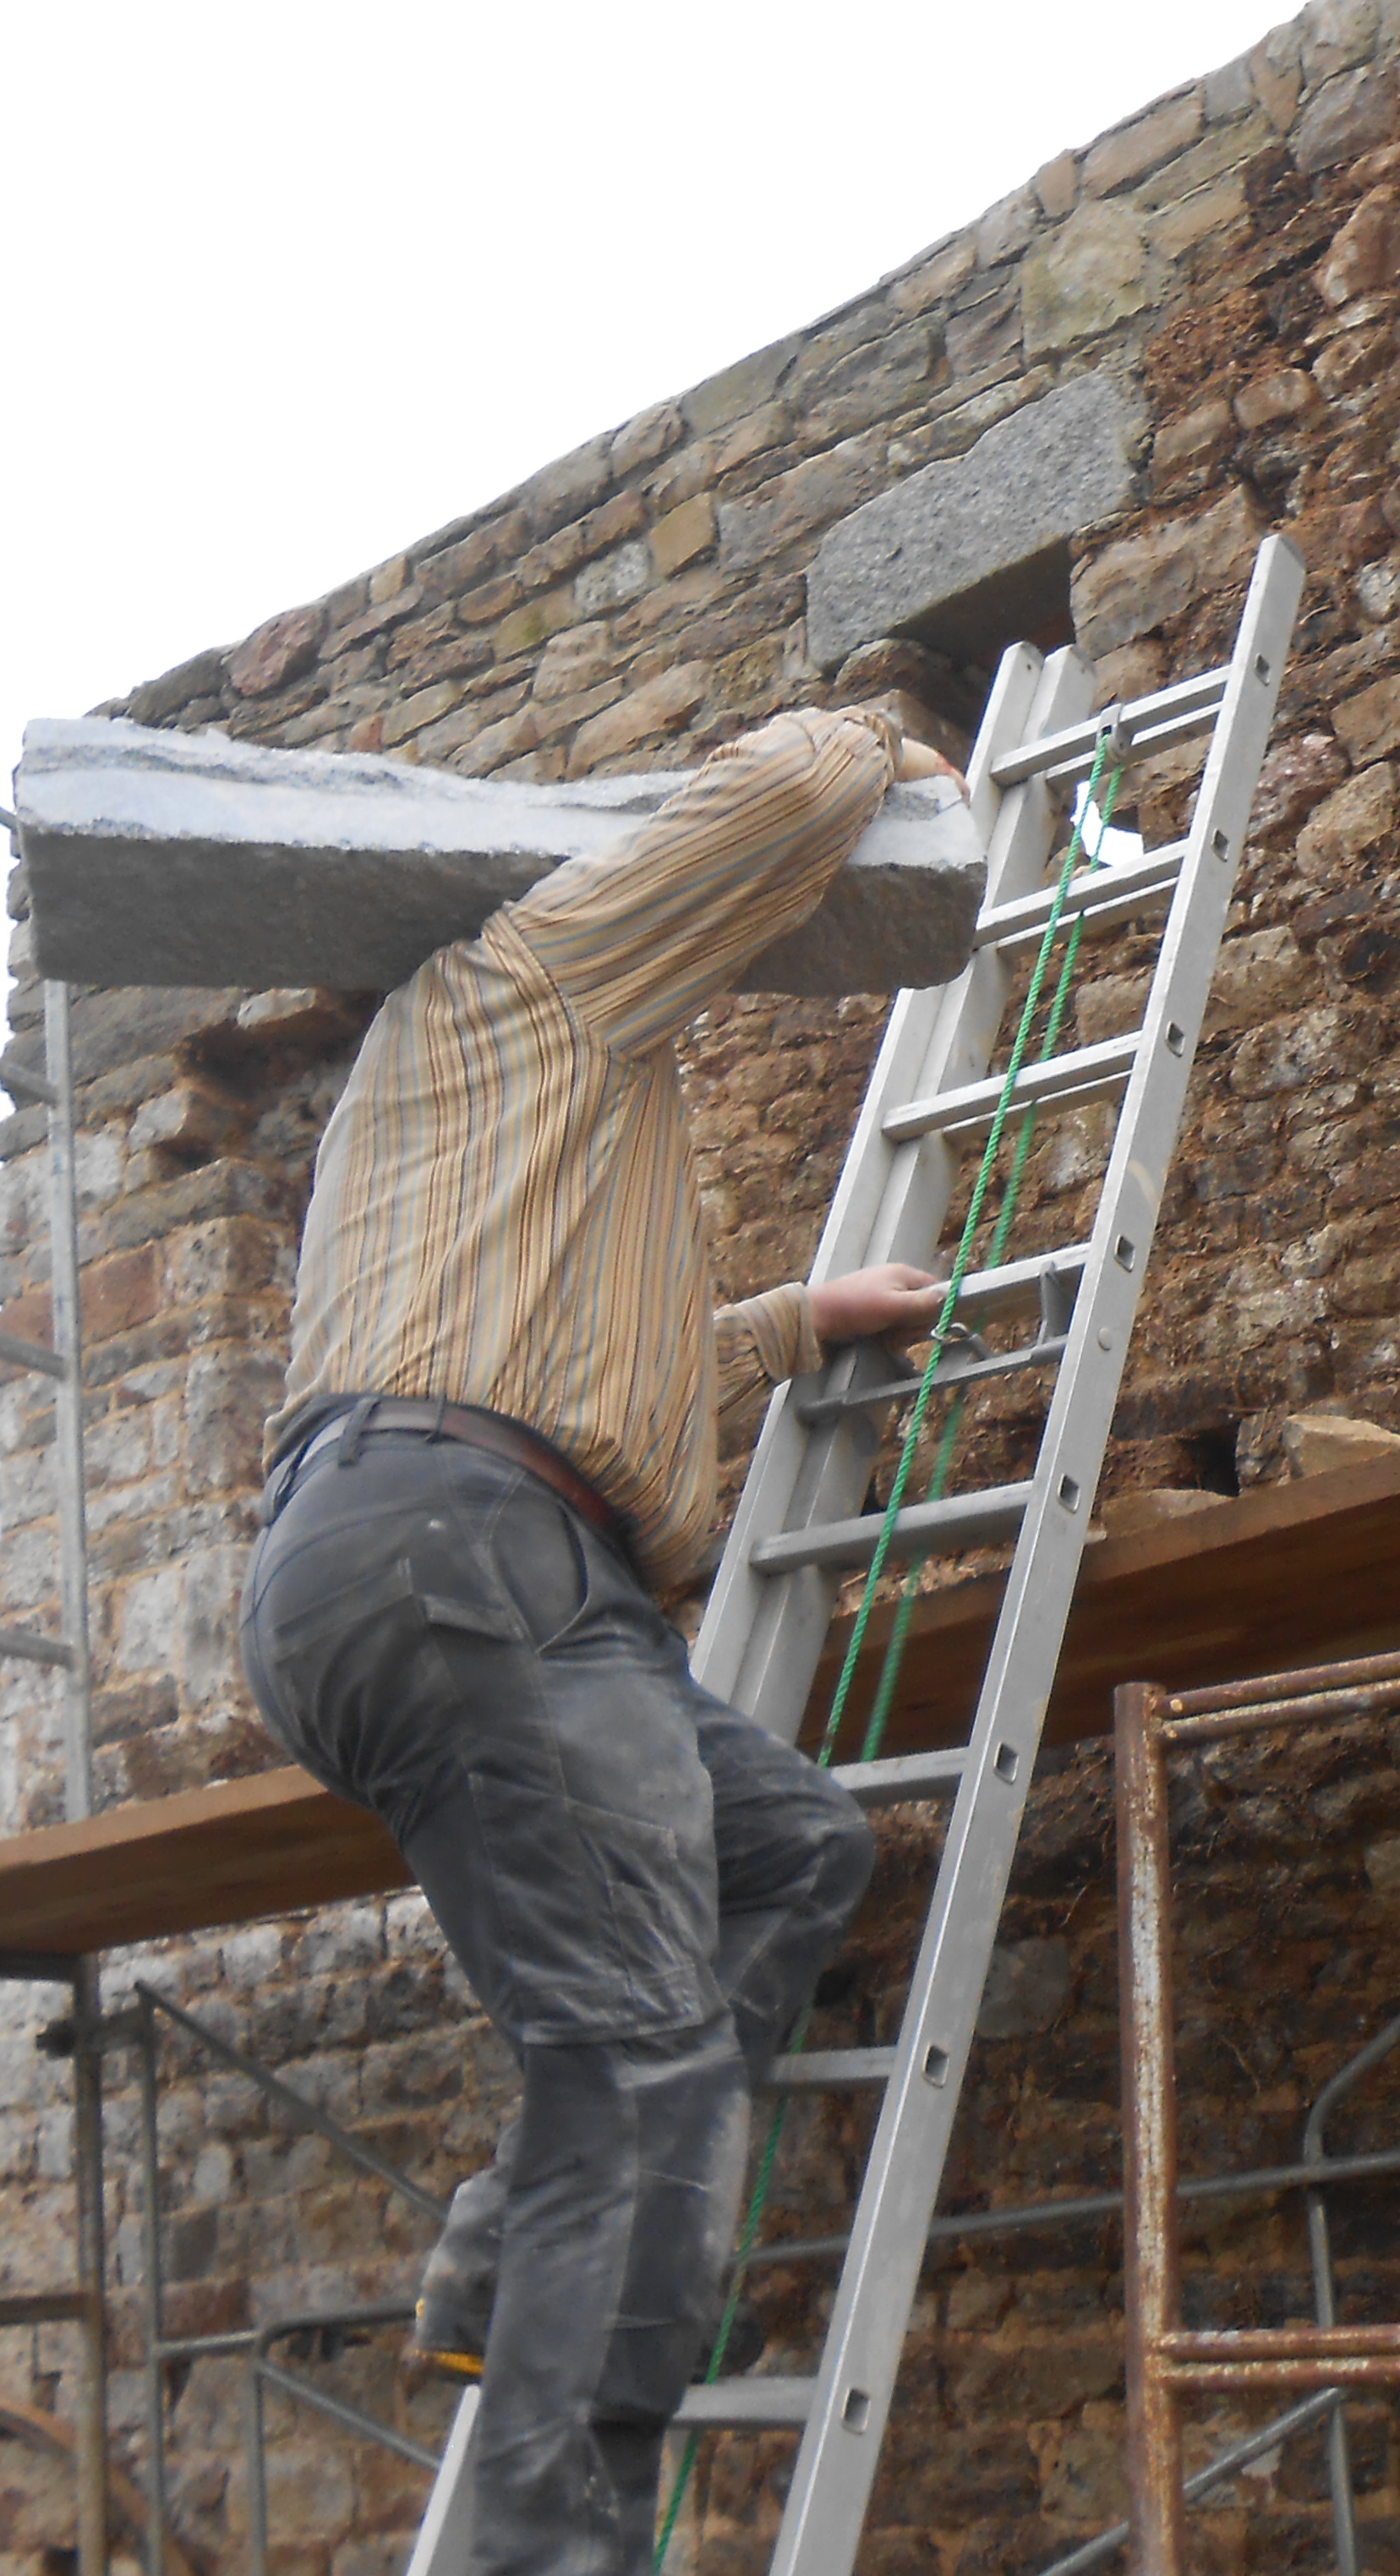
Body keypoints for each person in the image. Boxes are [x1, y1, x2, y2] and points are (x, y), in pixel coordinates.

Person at [238, 698, 959, 2574]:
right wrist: (886, 733)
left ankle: (504, 2228)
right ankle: (552, 2551)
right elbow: (790, 793)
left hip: (430, 1548)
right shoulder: (532, 974)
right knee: (635, 2054)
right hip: (474, 1553)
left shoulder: (465, 1132)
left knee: (798, 1848)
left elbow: (575, 1364)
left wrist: (798, 1320)